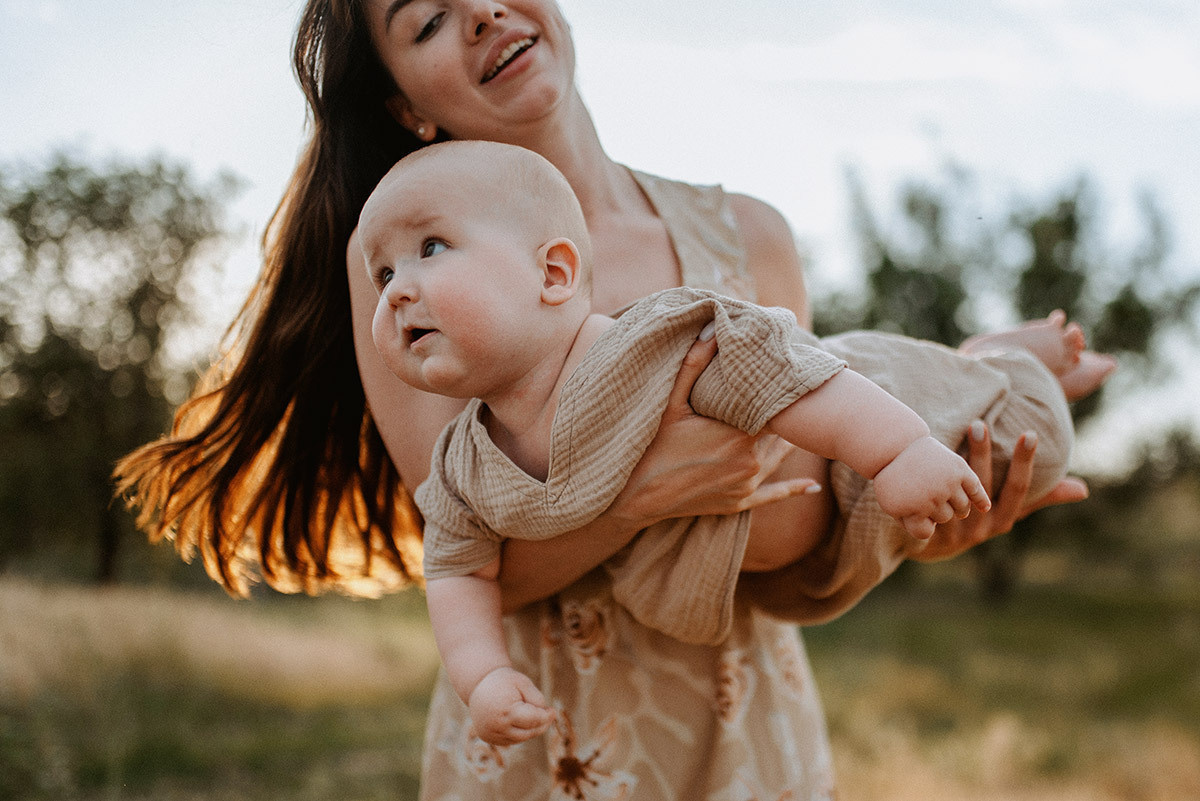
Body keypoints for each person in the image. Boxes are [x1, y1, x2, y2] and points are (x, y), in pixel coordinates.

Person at [114, 1, 1115, 798]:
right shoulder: (403, 278)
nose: (478, 14)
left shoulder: (746, 235)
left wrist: (910, 522)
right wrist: (641, 492)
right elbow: (476, 558)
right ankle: (979, 361)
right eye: (425, 21)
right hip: (550, 735)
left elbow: (797, 511)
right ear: (404, 107)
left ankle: (977, 370)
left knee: (865, 383)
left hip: (739, 720)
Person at [357, 140, 1082, 746]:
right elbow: (460, 574)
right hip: (724, 609)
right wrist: (482, 675)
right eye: (383, 272)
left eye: (430, 248)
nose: (396, 289)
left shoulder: (655, 342)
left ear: (553, 273)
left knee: (1035, 436)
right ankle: (978, 358)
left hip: (866, 421)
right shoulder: (461, 467)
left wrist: (898, 453)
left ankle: (996, 360)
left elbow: (798, 382)